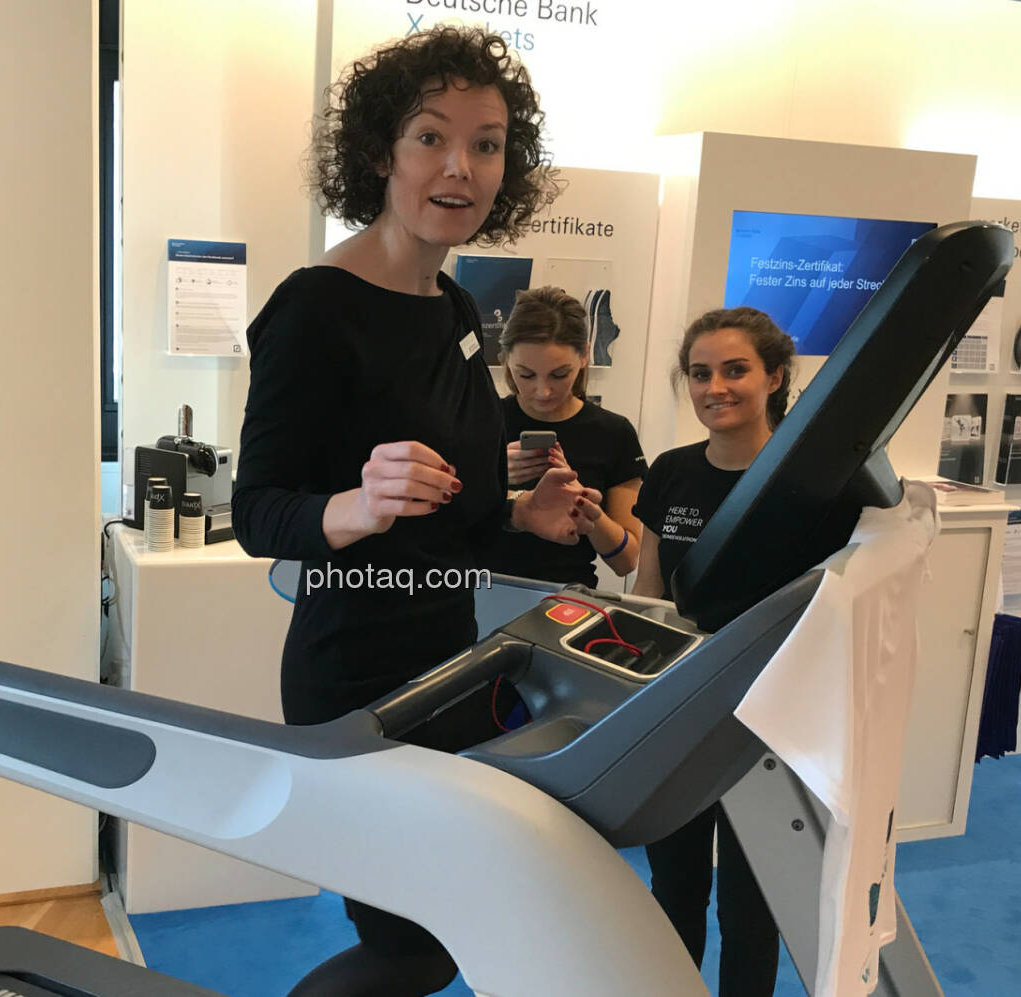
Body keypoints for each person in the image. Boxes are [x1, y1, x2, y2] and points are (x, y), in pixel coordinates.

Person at [231, 27, 589, 997]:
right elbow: (257, 511)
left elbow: (457, 512)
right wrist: (355, 503)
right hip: (356, 675)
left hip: (450, 661)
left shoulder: (455, 309)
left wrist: (520, 518)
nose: (460, 167)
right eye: (432, 136)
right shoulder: (315, 308)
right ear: (380, 151)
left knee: (452, 925)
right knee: (415, 944)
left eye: (486, 144)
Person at [630, 306, 795, 996]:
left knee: (752, 902)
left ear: (774, 377)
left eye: (735, 370)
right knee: (674, 888)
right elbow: (648, 592)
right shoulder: (671, 471)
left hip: (771, 717)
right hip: (682, 710)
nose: (715, 388)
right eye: (700, 374)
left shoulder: (810, 480)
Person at [483, 285, 645, 587]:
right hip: (480, 588)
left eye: (559, 375)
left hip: (567, 595)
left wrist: (588, 511)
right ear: (506, 360)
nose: (543, 391)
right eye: (526, 374)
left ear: (584, 356)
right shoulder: (481, 420)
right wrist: (491, 477)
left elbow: (626, 562)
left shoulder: (613, 433)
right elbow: (441, 528)